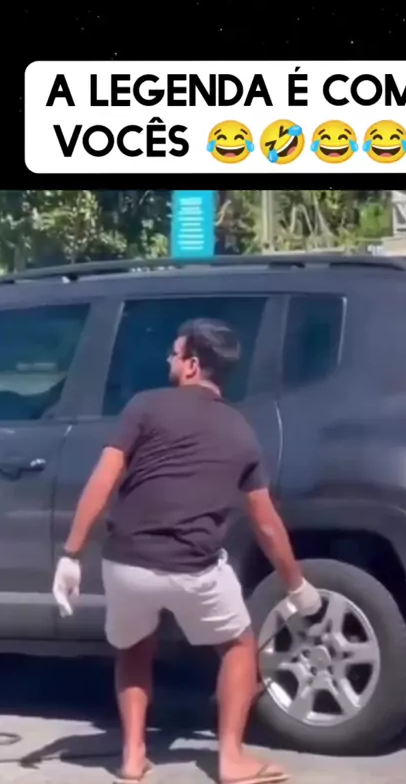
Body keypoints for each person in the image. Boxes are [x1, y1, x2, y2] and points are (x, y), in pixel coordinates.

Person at [52, 317, 321, 784]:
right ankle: (231, 758)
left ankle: (133, 756)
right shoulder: (241, 431)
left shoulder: (145, 406)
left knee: (134, 646)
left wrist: (71, 555)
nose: (169, 360)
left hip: (127, 563)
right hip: (195, 570)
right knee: (238, 646)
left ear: (192, 365)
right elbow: (266, 522)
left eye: (174, 354)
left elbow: (104, 479)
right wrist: (296, 584)